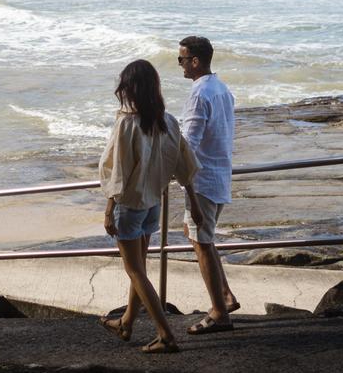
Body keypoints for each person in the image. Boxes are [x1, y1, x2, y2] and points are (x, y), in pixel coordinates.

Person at [99, 59, 204, 354]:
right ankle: (126, 322)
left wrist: (109, 210)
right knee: (140, 269)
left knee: (134, 270)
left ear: (129, 88)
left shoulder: (127, 123)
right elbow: (185, 164)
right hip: (153, 205)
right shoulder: (167, 121)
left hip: (130, 206)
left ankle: (165, 334)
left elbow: (117, 172)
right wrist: (193, 201)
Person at [177, 35, 241, 334]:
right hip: (219, 175)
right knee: (201, 237)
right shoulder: (223, 89)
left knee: (201, 244)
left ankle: (218, 313)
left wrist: (173, 170)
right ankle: (225, 296)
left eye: (181, 59)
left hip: (201, 180)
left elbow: (190, 141)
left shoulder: (199, 93)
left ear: (195, 61)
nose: (180, 65)